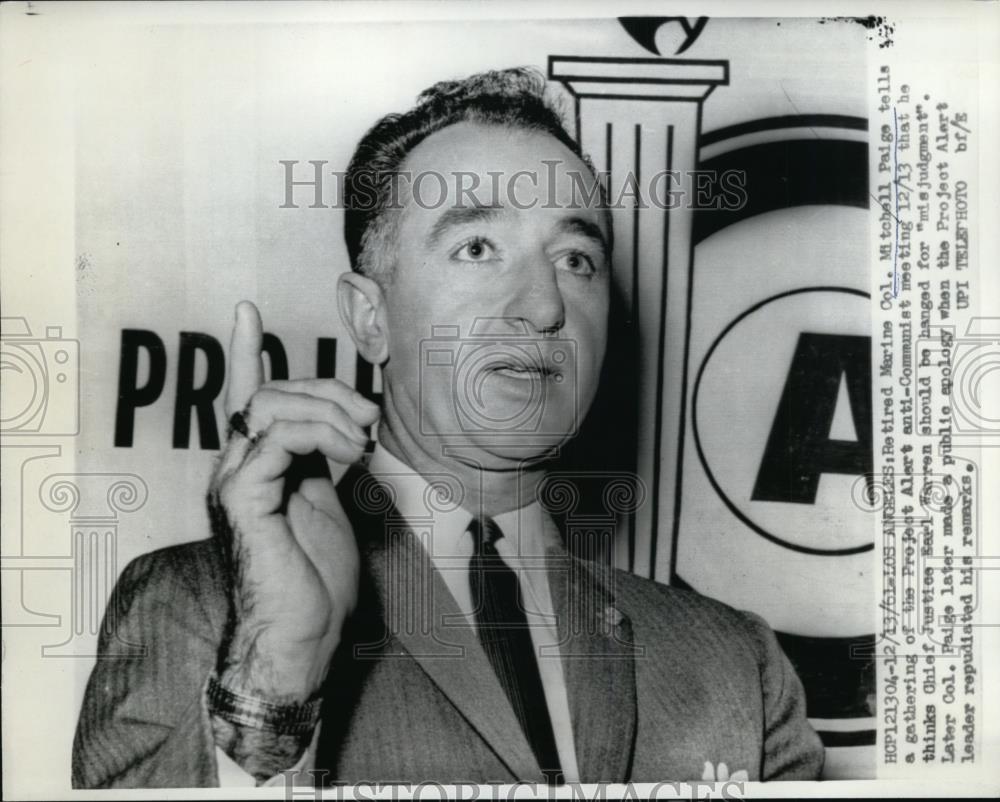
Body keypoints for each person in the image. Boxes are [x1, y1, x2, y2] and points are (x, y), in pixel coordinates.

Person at [72, 68, 824, 788]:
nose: (544, 306)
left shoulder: (736, 664)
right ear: (371, 319)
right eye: (477, 248)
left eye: (575, 258)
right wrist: (277, 674)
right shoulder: (203, 606)